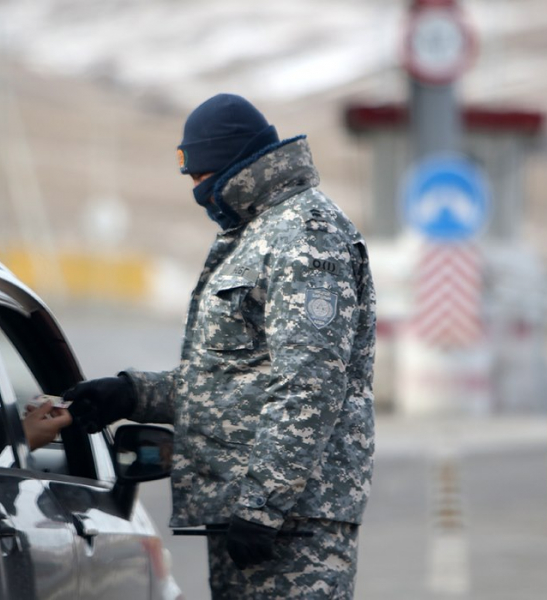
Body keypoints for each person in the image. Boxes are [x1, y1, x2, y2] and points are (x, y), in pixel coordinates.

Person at [64, 93, 376, 599]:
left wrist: (262, 504)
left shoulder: (304, 236)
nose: (196, 190)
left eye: (198, 176)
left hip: (292, 523)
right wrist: (131, 394)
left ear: (231, 164)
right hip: (256, 512)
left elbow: (309, 385)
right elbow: (235, 383)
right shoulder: (256, 232)